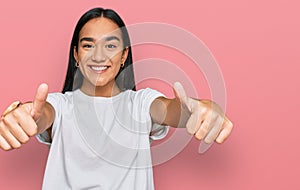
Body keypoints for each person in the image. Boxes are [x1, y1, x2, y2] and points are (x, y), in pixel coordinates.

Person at [0, 7, 233, 189]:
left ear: (124, 55)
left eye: (110, 45)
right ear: (76, 55)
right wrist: (23, 114)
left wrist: (201, 110)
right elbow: (41, 115)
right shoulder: (61, 106)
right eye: (88, 45)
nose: (99, 56)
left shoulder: (141, 104)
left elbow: (173, 111)